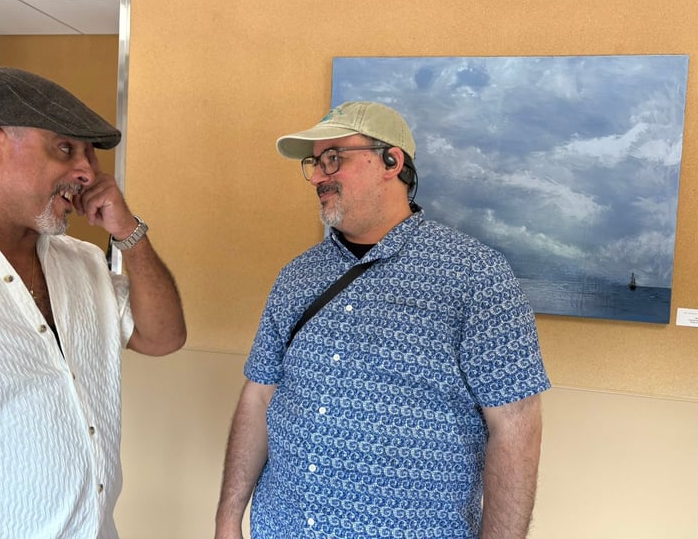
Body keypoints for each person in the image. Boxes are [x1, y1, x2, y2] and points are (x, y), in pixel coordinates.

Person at [215, 101, 550, 539]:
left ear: (391, 162)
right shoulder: (297, 277)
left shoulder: (476, 276)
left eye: (333, 158)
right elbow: (259, 396)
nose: (317, 177)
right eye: (314, 163)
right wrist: (227, 518)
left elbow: (515, 427)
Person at [0, 67, 187, 538]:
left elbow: (163, 337)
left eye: (90, 154)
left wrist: (129, 233)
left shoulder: (83, 261)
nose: (89, 173)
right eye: (66, 149)